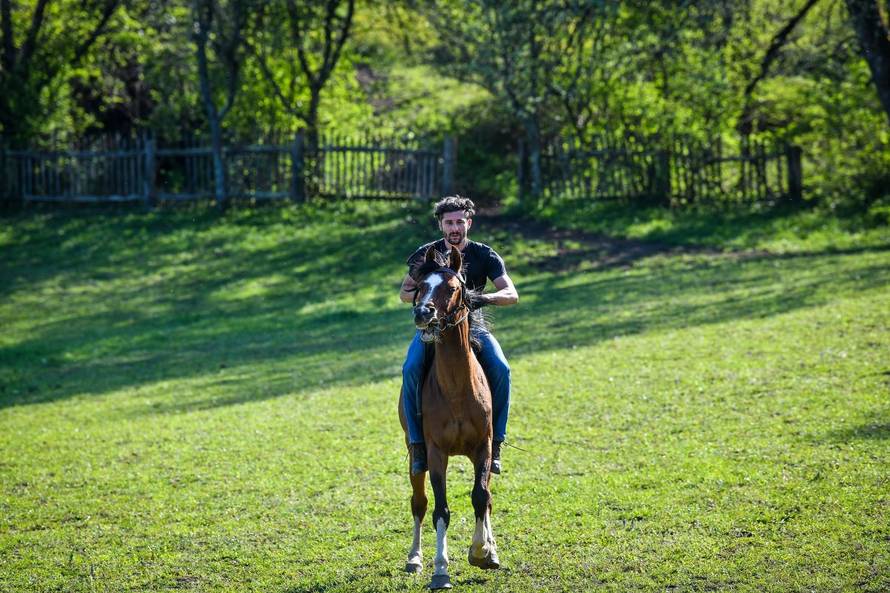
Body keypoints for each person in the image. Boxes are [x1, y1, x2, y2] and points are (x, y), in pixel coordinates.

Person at [399, 196, 519, 475]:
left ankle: (496, 441)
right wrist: (424, 295)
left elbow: (511, 294)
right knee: (411, 368)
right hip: (434, 326)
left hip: (472, 325)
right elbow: (404, 293)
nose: (455, 227)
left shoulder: (484, 254)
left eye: (460, 222)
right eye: (449, 222)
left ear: (469, 223)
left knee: (501, 368)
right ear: (441, 225)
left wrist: (482, 298)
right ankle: (418, 444)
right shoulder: (424, 255)